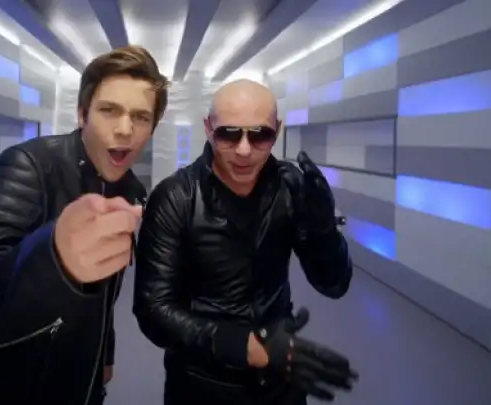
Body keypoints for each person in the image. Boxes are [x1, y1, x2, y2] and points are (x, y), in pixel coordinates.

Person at [0, 45, 169, 405]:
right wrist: (53, 259)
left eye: (140, 117)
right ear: (82, 114)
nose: (125, 129)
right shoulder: (28, 165)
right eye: (109, 110)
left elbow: (105, 293)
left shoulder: (130, 190)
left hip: (83, 385)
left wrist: (104, 352)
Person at [133, 79, 358, 405]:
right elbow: (153, 310)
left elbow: (334, 284)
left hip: (279, 378)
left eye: (259, 135)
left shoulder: (290, 187)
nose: (243, 150)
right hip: (200, 385)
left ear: (277, 131)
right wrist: (244, 346)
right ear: (208, 129)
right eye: (228, 134)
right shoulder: (176, 197)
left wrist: (324, 232)